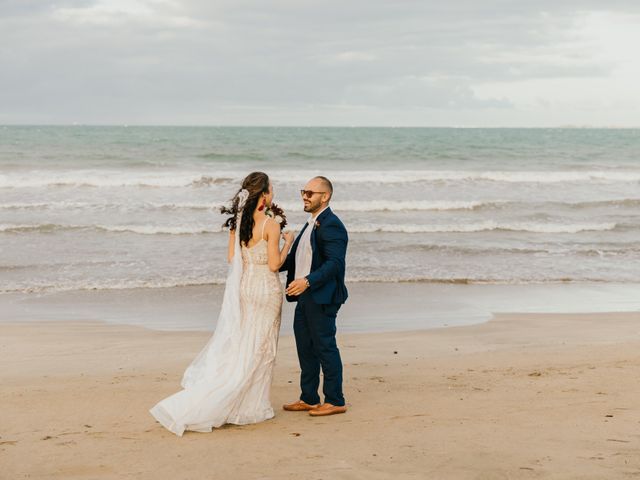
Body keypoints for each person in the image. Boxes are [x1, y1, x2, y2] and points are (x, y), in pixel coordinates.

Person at [149, 172, 294, 436]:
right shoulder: (271, 224)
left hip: (245, 288)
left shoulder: (239, 223)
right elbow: (275, 265)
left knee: (245, 345)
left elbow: (232, 258)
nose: (273, 194)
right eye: (271, 190)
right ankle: (251, 406)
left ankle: (240, 402)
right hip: (265, 288)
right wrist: (288, 244)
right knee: (262, 349)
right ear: (263, 194)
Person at [280, 176, 349, 416]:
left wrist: (307, 281)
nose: (304, 196)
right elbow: (297, 259)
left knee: (325, 347)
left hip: (322, 296)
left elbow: (335, 264)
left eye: (310, 192)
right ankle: (309, 397)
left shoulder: (331, 224)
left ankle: (335, 400)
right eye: (303, 191)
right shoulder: (311, 223)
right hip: (305, 296)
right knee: (305, 348)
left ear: (325, 196)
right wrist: (266, 264)